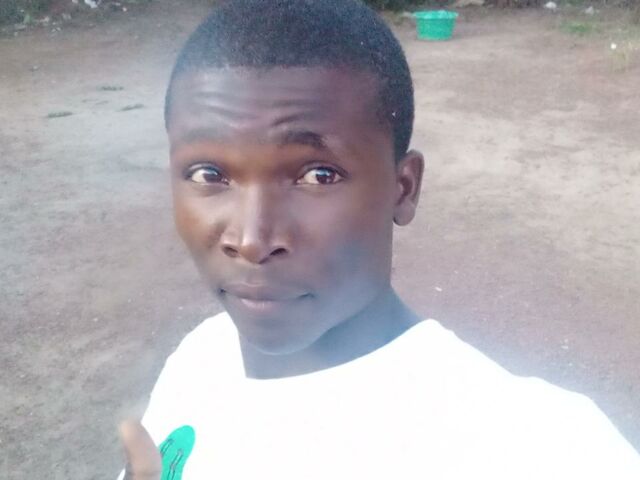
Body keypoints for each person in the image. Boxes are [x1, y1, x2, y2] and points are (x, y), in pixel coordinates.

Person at [117, 1, 640, 479]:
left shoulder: (536, 446)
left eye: (318, 175)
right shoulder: (201, 358)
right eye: (209, 174)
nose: (251, 240)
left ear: (403, 188)